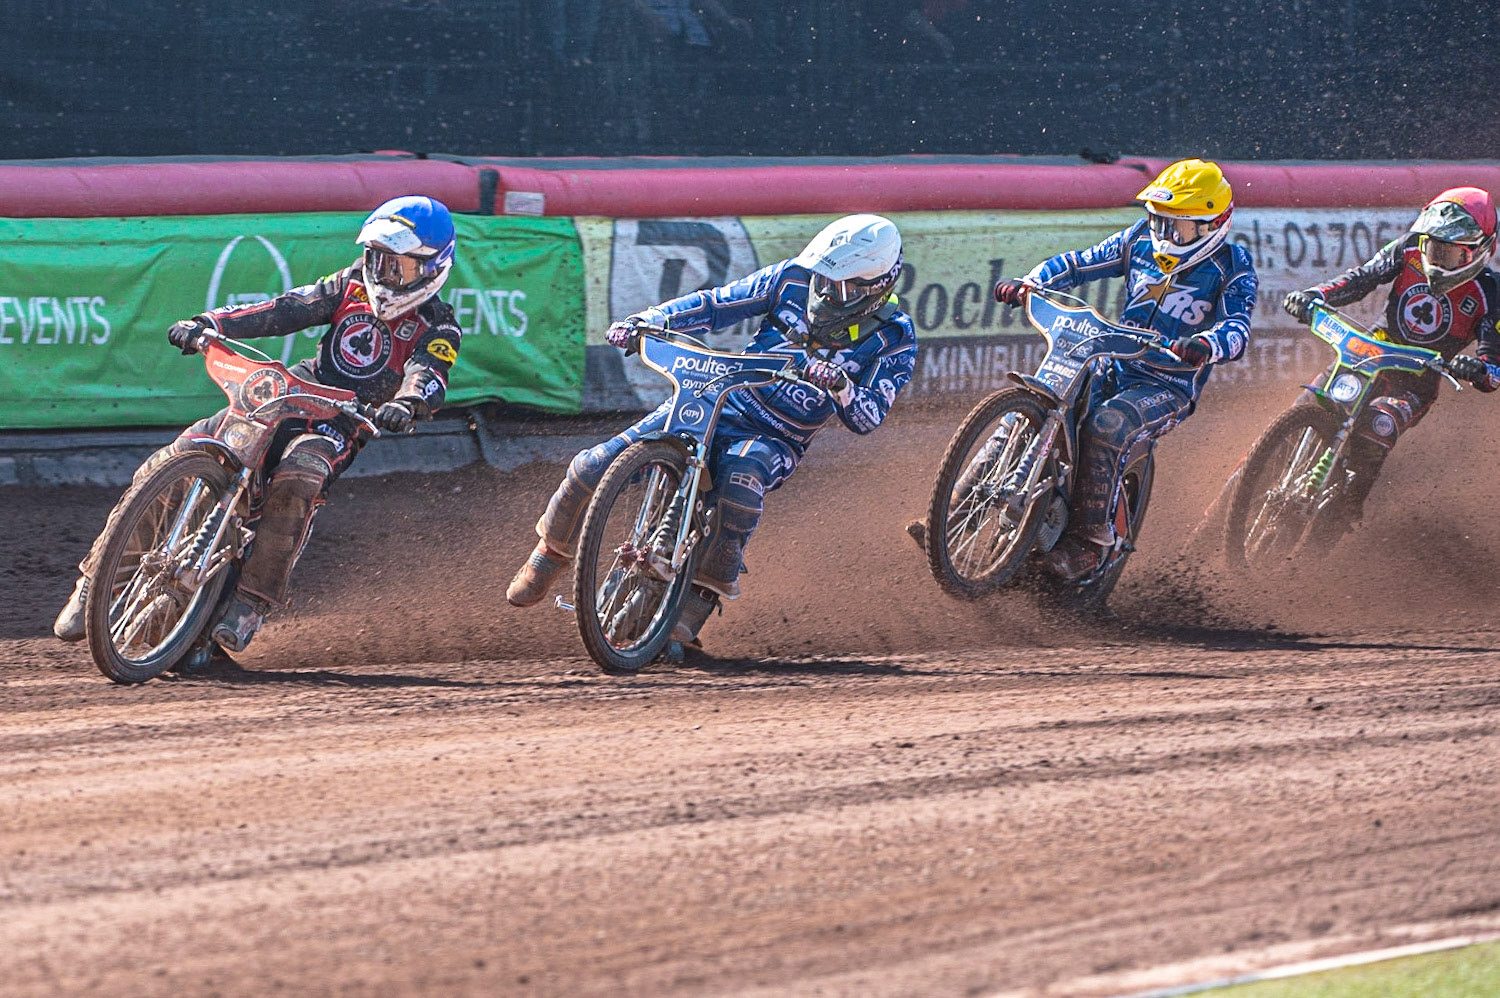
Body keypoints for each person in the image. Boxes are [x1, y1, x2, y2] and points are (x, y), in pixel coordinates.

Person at [53, 195, 463, 653]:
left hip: (343, 420)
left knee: (300, 476)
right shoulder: (349, 284)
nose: (384, 274)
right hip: (291, 391)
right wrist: (211, 324)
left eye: (398, 266)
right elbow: (284, 309)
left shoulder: (438, 327)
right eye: (378, 259)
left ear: (432, 269)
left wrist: (407, 404)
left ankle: (250, 601)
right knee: (180, 453)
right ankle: (94, 583)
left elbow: (429, 376)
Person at [506, 213, 917, 647]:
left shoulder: (895, 337)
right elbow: (716, 304)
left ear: (877, 287)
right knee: (593, 465)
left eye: (843, 287)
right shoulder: (791, 278)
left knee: (740, 489)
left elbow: (869, 417)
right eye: (823, 279)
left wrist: (841, 387)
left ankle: (698, 599)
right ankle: (549, 553)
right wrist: (650, 320)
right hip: (713, 399)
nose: (827, 293)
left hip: (774, 437)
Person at [935, 158, 1258, 581]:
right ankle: (953, 515)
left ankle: (1091, 541)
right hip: (1109, 362)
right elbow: (1079, 263)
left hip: (1166, 385)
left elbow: (1237, 328)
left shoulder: (1233, 266)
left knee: (1107, 426)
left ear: (1212, 225)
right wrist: (1031, 282)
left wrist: (1207, 344)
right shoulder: (1137, 239)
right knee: (1031, 407)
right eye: (1158, 221)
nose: (1163, 234)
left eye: (1176, 226)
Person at [1282, 186, 1500, 521]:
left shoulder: (1492, 293)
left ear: (1480, 250)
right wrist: (1316, 295)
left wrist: (1478, 368)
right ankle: (1241, 483)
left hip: (1415, 382)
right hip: (1366, 355)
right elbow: (1363, 278)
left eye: (1450, 254)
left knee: (1378, 426)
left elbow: (1492, 367)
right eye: (1433, 248)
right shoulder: (1409, 247)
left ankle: (1344, 511)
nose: (1437, 260)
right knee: (1302, 410)